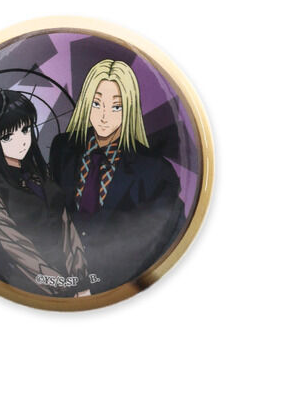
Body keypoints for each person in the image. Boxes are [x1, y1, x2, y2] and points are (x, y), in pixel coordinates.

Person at [50, 59, 186, 293]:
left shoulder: (154, 171)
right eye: (96, 104)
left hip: (120, 286)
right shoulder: (63, 148)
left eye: (116, 107)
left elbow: (157, 241)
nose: (104, 116)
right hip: (62, 280)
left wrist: (101, 286)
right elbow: (51, 215)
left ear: (130, 108)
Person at [0, 87, 90, 297]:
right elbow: (17, 249)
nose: (21, 141)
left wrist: (81, 278)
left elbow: (67, 227)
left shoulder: (39, 174)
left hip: (69, 280)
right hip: (29, 287)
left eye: (26, 129)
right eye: (7, 137)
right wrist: (63, 286)